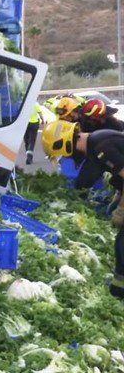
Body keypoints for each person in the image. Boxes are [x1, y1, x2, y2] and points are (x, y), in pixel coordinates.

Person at [41, 120, 124, 298]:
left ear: (68, 144)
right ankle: (119, 287)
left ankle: (119, 289)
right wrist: (118, 195)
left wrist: (121, 208)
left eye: (65, 154)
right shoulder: (96, 142)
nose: (69, 157)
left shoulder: (102, 147)